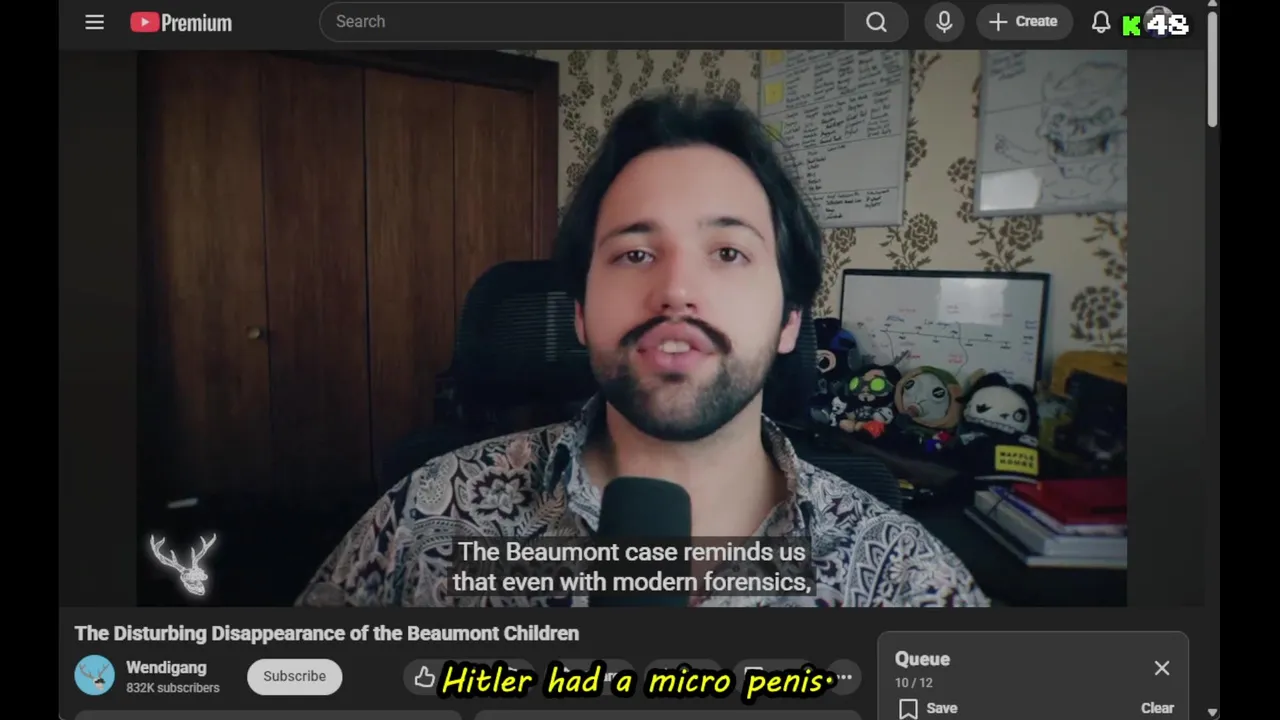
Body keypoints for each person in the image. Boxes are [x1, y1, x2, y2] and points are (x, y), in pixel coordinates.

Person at [298, 93, 989, 608]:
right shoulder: (424, 521)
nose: (676, 290)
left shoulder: (911, 584)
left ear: (789, 321)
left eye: (728, 252)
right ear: (580, 313)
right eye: (634, 253)